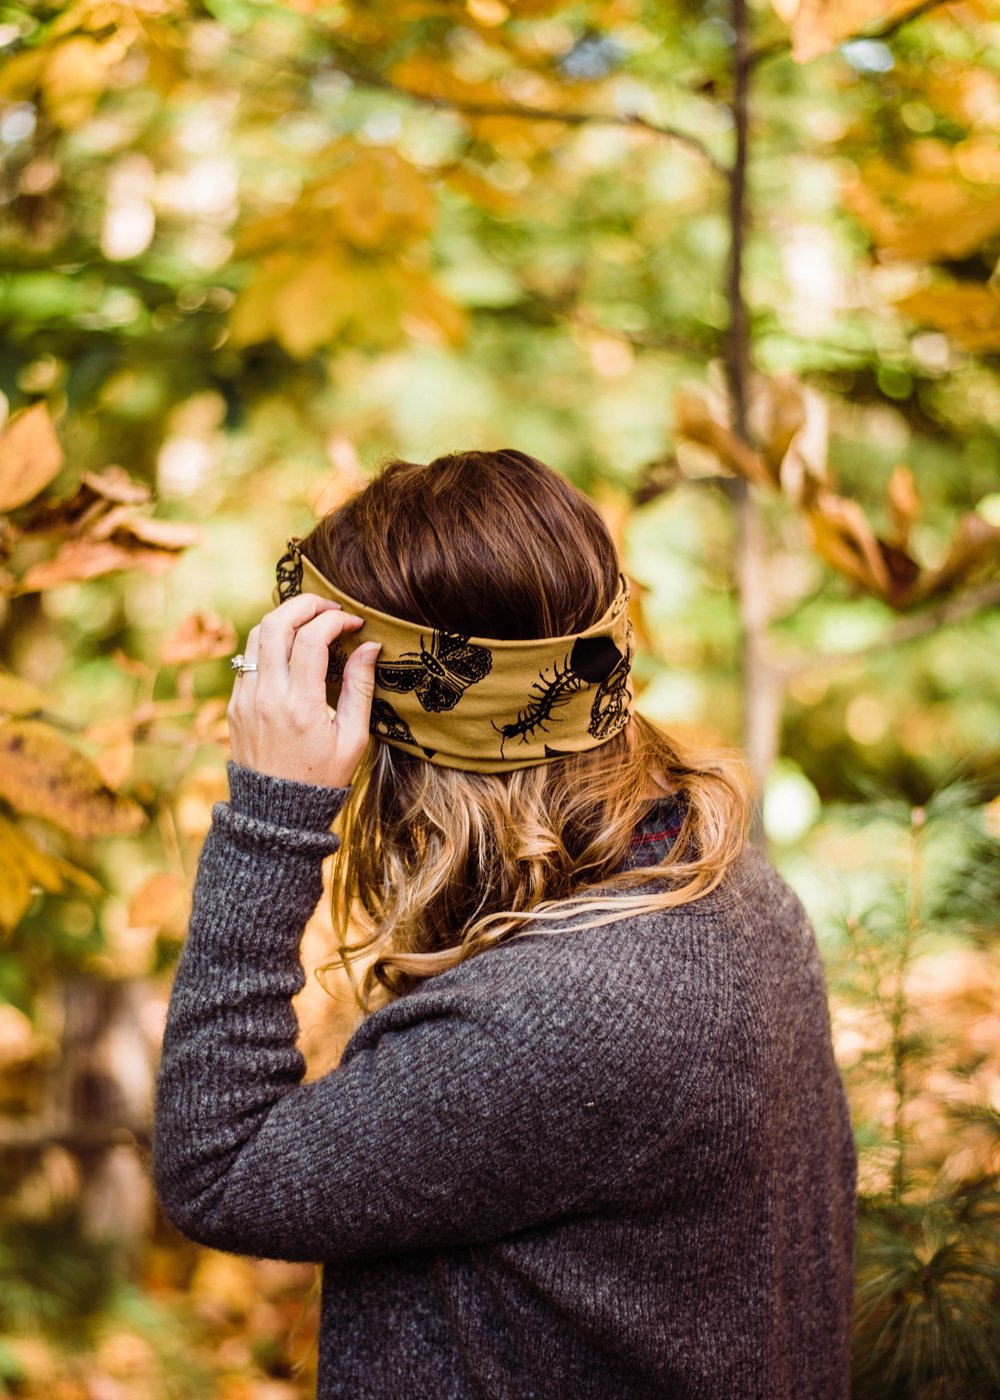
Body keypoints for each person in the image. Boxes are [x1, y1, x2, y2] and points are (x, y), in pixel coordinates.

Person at [152, 448, 857, 1400]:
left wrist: (270, 813)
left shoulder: (557, 1015)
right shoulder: (727, 892)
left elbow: (219, 1170)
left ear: (403, 749)